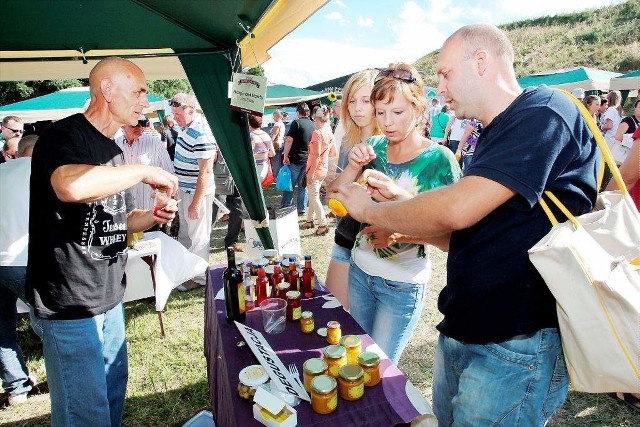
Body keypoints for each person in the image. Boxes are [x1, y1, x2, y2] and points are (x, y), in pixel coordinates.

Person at [330, 24, 598, 426]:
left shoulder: (543, 110)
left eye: (443, 72)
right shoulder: (498, 131)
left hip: (515, 341)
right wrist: (405, 227)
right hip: (467, 324)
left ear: (481, 62)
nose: (439, 86)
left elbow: (458, 210)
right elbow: (466, 238)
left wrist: (370, 210)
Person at [26, 57, 178, 427]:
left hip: (109, 295)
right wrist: (144, 170)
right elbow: (70, 186)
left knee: (110, 394)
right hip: (70, 302)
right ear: (106, 90)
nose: (145, 101)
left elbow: (115, 220)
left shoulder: (112, 149)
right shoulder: (64, 135)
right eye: (139, 90)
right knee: (85, 414)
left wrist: (151, 218)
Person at [330, 63, 461, 364]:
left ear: (419, 109)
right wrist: (352, 166)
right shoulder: (373, 146)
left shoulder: (438, 161)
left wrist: (400, 232)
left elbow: (454, 239)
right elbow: (335, 198)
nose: (388, 122)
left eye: (398, 112)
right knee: (354, 358)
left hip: (401, 286)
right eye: (380, 112)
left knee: (378, 367)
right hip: (360, 272)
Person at [324, 69, 381, 309]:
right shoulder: (349, 141)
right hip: (345, 238)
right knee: (333, 315)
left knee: (364, 333)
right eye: (352, 101)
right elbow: (333, 196)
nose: (357, 108)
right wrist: (352, 167)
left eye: (366, 101)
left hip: (379, 251)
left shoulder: (392, 146)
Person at [0, 135, 41, 407]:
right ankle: (64, 375)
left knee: (1, 328)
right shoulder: (41, 173)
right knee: (52, 321)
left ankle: (16, 387)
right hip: (23, 259)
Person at [170, 92, 216, 290]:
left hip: (196, 193)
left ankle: (199, 279)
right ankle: (186, 275)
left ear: (191, 110)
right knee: (186, 234)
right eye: (173, 114)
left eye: (178, 115)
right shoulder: (186, 127)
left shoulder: (201, 133)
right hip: (185, 190)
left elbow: (205, 171)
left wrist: (196, 202)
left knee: (199, 238)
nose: (174, 118)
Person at [115, 116, 175, 212]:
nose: (139, 127)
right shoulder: (115, 144)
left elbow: (168, 173)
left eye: (142, 123)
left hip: (149, 209)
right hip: (125, 211)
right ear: (122, 125)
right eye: (134, 124)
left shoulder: (154, 142)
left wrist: (161, 200)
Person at [302, 104, 336, 236]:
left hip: (315, 169)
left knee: (314, 196)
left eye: (314, 118)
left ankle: (323, 225)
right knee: (313, 194)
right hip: (323, 169)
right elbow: (333, 153)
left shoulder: (317, 133)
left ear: (317, 118)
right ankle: (309, 221)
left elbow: (315, 155)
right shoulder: (329, 133)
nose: (313, 120)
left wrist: (310, 174)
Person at [281, 102, 315, 215]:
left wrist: (285, 155)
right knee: (303, 186)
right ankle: (302, 207)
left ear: (297, 113)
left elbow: (289, 140)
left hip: (295, 159)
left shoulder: (296, 123)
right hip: (307, 160)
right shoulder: (312, 124)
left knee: (289, 184)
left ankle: (286, 205)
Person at [249, 112, 275, 182]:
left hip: (253, 168)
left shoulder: (250, 136)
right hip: (264, 167)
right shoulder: (266, 135)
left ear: (249, 123)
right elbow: (272, 153)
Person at [270, 109, 286, 179]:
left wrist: (269, 144)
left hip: (276, 144)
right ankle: (279, 176)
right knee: (278, 160)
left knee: (275, 161)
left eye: (273, 116)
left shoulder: (277, 124)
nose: (273, 118)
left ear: (276, 116)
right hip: (281, 144)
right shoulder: (282, 124)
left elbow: (274, 135)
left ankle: (276, 176)